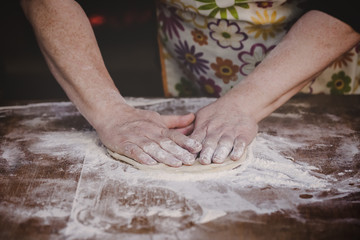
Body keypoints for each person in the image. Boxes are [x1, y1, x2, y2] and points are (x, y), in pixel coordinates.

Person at [20, 0, 360, 167]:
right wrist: (108, 110)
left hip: (311, 59)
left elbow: (346, 7)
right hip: (191, 48)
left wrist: (244, 103)